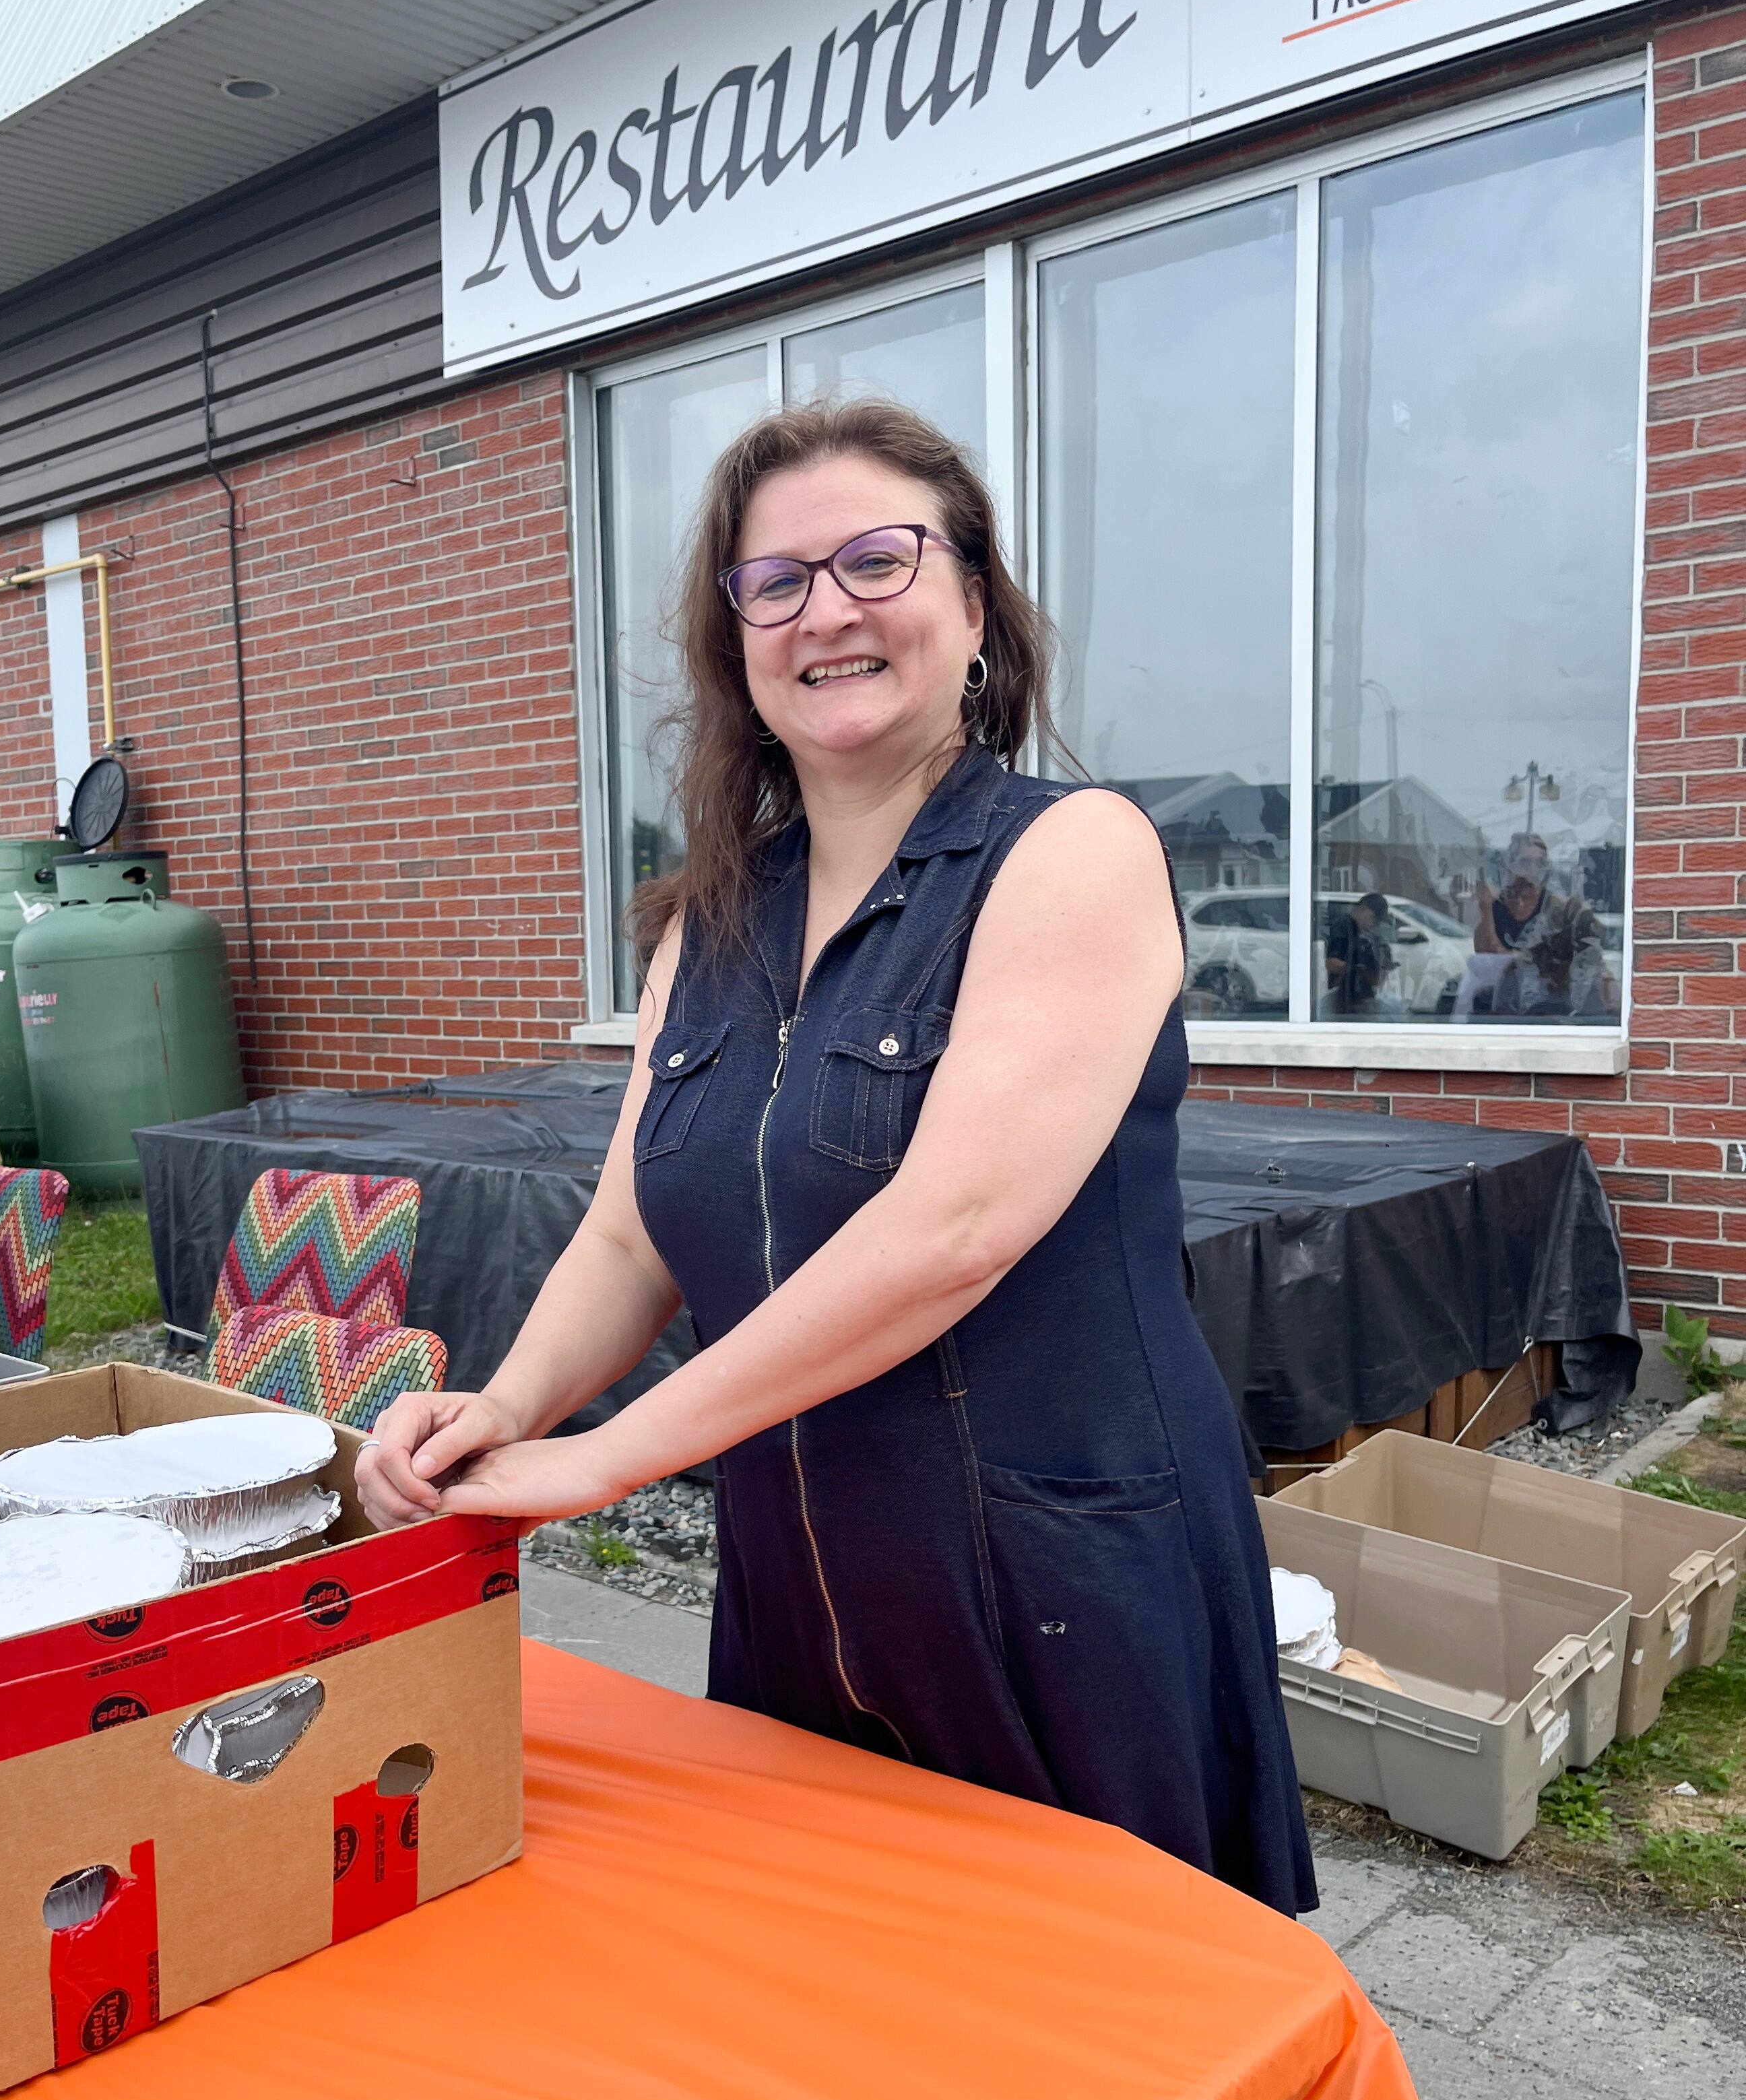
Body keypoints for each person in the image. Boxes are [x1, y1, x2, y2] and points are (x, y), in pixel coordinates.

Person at [358, 398, 1315, 1917]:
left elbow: (954, 1229)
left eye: (878, 560)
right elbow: (628, 1234)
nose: (830, 611)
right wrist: (506, 1408)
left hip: (1050, 1585)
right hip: (802, 1582)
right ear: (736, 642)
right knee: (852, 2019)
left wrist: (601, 1457)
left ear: (975, 604)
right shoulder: (708, 925)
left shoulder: (1073, 855)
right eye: (777, 582)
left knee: (1092, 2026)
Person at [1472, 832, 1613, 1018]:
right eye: (1525, 862)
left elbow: (1590, 962)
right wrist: (1486, 910)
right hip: (1503, 1007)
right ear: (1509, 867)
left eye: (1540, 863)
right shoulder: (1495, 906)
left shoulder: (1564, 911)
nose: (1533, 870)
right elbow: (1487, 959)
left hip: (1551, 1007)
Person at [1324, 890, 1393, 1017]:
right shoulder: (1343, 928)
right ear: (1362, 909)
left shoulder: (1373, 937)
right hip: (1343, 997)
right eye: (1372, 918)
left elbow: (1376, 980)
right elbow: (1331, 963)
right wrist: (1354, 968)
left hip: (1366, 997)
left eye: (1377, 922)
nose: (1372, 924)